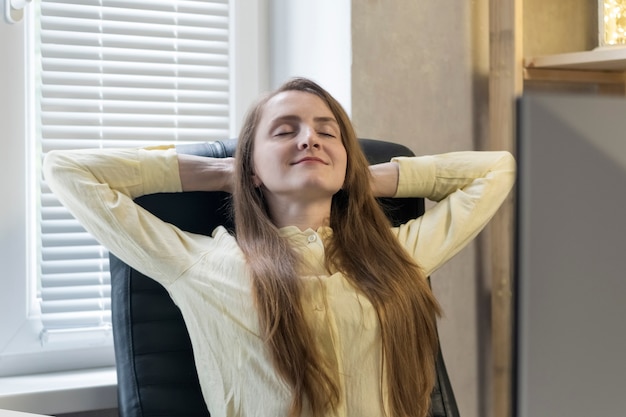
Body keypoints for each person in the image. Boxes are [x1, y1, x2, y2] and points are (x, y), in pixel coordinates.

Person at [43, 77, 516, 417]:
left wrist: (369, 179)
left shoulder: (396, 256)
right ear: (250, 167)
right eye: (285, 131)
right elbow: (67, 170)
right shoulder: (200, 263)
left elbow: (497, 170)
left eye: (327, 132)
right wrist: (217, 173)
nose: (310, 138)